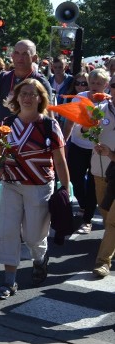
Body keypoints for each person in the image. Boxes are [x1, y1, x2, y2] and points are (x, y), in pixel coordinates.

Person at [0, 79, 70, 299]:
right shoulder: (7, 122)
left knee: (34, 236)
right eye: (23, 93)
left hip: (39, 187)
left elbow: (60, 161)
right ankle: (8, 282)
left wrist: (65, 189)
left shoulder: (49, 126)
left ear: (40, 98)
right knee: (8, 232)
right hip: (11, 185)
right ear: (16, 97)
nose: (26, 98)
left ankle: (39, 257)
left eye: (31, 94)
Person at [0, 40, 52, 241]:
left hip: (25, 149)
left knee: (17, 192)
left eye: (26, 54)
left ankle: (10, 228)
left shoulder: (40, 82)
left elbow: (48, 116)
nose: (20, 58)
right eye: (17, 53)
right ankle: (1, 222)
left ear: (35, 58)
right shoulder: (3, 78)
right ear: (11, 56)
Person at [63, 68, 111, 233]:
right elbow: (69, 122)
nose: (94, 86)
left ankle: (87, 219)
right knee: (75, 178)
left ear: (105, 85)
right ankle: (83, 204)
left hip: (97, 150)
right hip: (78, 144)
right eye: (92, 82)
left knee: (92, 184)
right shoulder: (80, 98)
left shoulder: (109, 102)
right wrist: (63, 141)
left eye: (99, 83)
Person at [90, 93, 115, 277]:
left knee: (113, 222)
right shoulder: (99, 110)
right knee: (105, 212)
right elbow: (85, 133)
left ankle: (103, 261)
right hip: (106, 172)